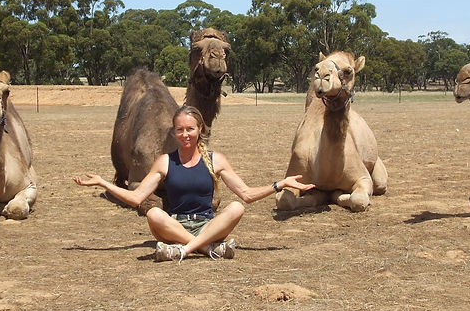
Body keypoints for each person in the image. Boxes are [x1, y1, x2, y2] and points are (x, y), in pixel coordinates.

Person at [74, 104, 315, 263]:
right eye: (180, 130)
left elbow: (246, 194)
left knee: (237, 208)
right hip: (174, 228)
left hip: (207, 226)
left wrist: (280, 184)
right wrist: (103, 183)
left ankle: (183, 251)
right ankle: (208, 249)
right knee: (154, 214)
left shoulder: (215, 160)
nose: (185, 134)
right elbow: (137, 199)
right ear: (174, 132)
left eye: (190, 129)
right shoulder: (165, 162)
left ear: (200, 129)